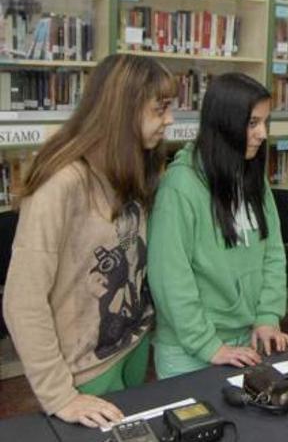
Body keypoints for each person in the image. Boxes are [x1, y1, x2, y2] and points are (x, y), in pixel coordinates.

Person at [1, 54, 176, 428]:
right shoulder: (60, 183)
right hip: (84, 370)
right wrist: (59, 395)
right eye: (159, 110)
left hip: (131, 345)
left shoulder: (133, 165)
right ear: (123, 111)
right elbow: (22, 300)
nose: (170, 120)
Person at [147, 73, 288, 379]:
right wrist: (208, 345)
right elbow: (170, 278)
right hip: (189, 349)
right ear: (224, 123)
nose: (262, 133)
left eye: (265, 122)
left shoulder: (253, 176)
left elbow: (273, 251)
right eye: (253, 123)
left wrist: (267, 315)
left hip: (246, 336)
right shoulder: (180, 186)